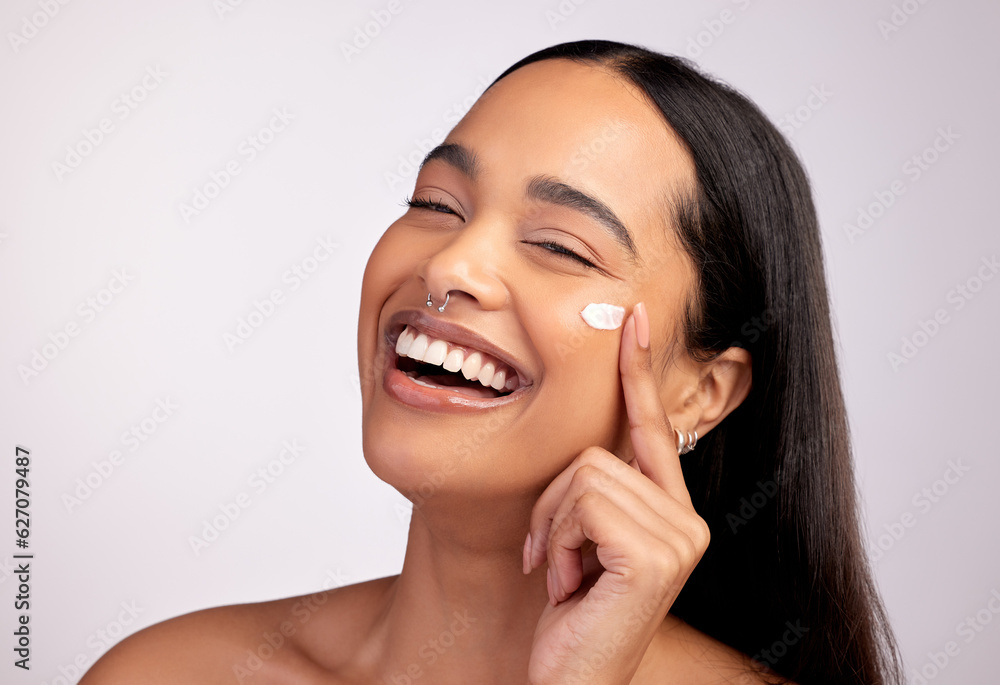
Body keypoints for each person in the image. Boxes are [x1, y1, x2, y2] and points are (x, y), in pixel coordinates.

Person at [81, 39, 902, 684]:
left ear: (702, 389)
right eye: (435, 204)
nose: (448, 268)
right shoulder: (160, 673)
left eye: (558, 245)